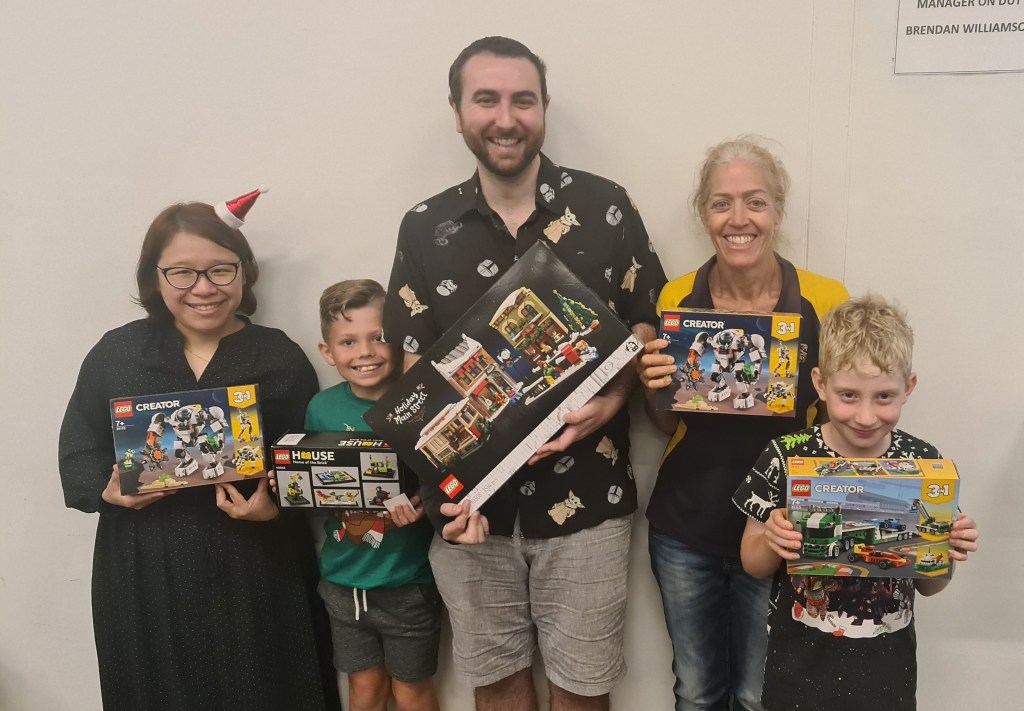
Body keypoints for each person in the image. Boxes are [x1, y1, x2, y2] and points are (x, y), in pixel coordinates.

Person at [383, 36, 667, 711]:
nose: (506, 118)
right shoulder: (423, 227)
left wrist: (612, 400)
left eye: (523, 100)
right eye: (486, 99)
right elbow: (415, 373)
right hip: (469, 507)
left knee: (583, 690)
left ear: (545, 108)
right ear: (457, 111)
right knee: (498, 688)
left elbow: (646, 323)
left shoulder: (606, 206)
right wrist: (442, 493)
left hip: (588, 498)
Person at [58, 196, 342, 711]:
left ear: (243, 271)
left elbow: (306, 465)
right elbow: (78, 450)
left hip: (257, 563)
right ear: (155, 277)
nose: (204, 288)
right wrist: (109, 491)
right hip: (146, 564)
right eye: (182, 272)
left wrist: (274, 509)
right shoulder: (117, 354)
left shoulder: (279, 356)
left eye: (220, 269)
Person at [637, 137, 849, 711]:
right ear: (704, 214)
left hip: (783, 529)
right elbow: (666, 423)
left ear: (777, 211)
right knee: (697, 692)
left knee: (760, 695)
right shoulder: (678, 295)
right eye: (721, 203)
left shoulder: (826, 299)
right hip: (687, 527)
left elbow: (846, 423)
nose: (738, 219)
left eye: (755, 202)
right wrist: (653, 384)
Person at [734, 294, 979, 709]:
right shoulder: (785, 455)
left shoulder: (923, 463)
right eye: (848, 395)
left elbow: (931, 585)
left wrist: (946, 546)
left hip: (887, 678)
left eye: (884, 397)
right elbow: (752, 564)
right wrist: (773, 539)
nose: (866, 417)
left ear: (908, 388)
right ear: (820, 384)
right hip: (797, 675)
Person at [306, 279, 440, 711]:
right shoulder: (321, 408)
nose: (365, 352)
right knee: (363, 690)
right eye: (348, 341)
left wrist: (427, 505)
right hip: (343, 580)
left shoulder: (421, 401)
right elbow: (312, 483)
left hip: (408, 581)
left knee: (411, 691)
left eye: (379, 337)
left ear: (399, 341)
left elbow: (447, 479)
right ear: (328, 352)